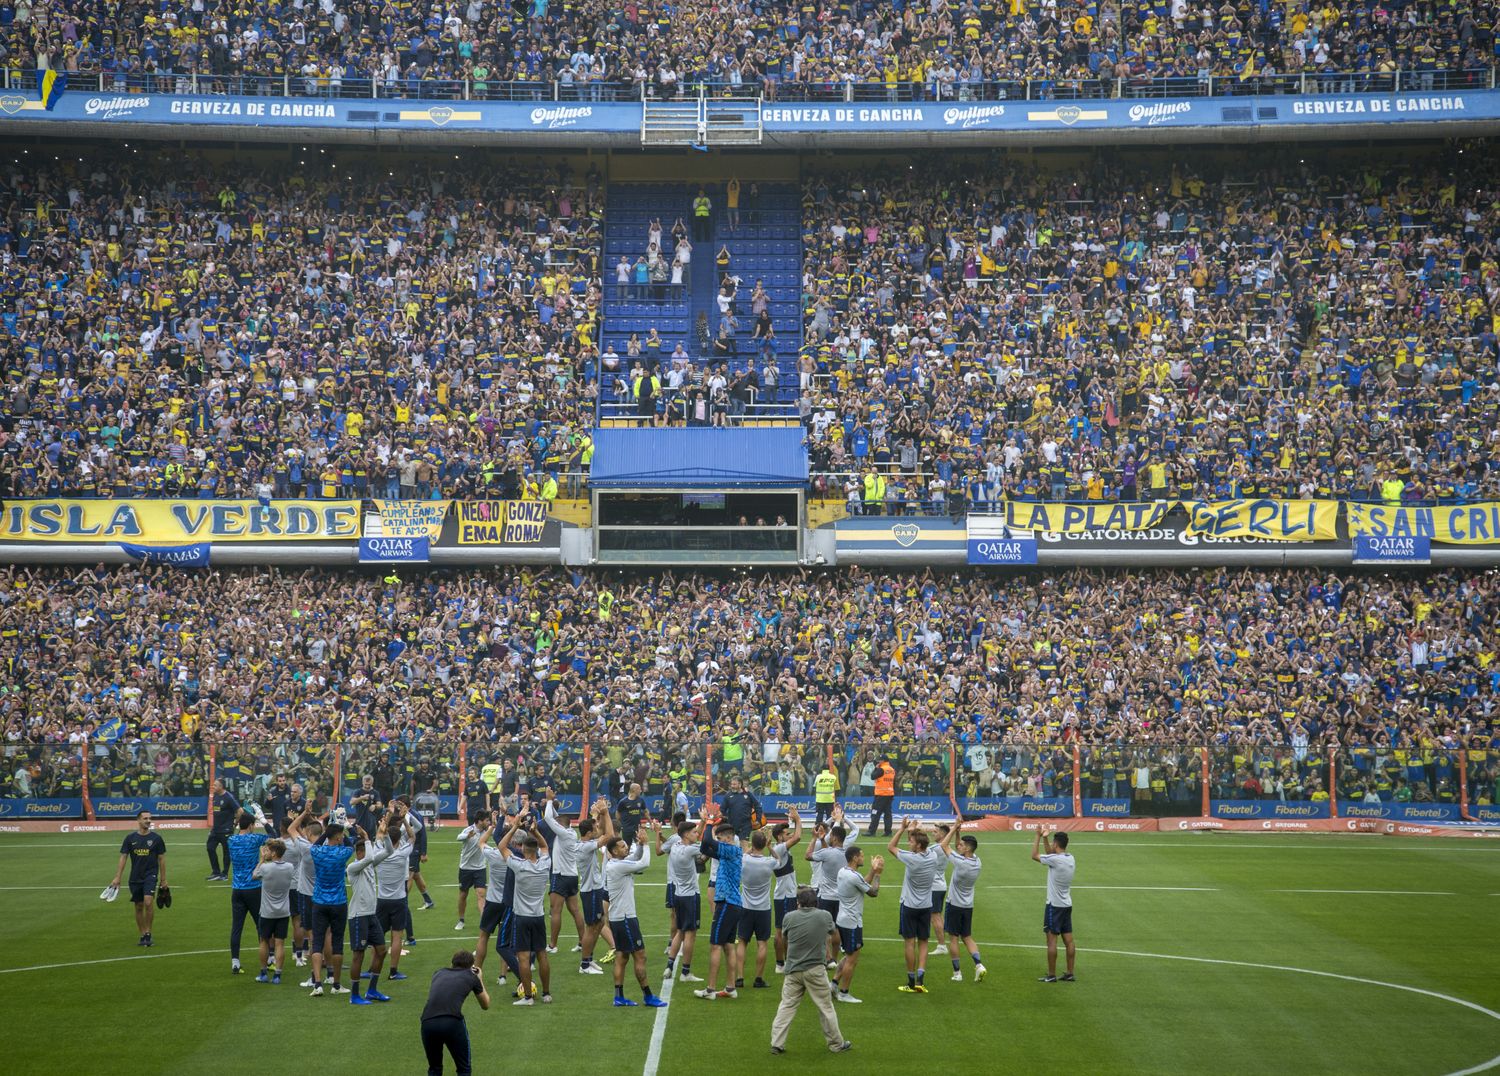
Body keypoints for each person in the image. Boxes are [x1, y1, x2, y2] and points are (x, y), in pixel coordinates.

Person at [769, 888, 852, 1056]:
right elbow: (833, 934)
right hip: (815, 970)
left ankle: (777, 1043)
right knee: (826, 1007)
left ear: (798, 903)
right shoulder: (825, 916)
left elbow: (785, 939)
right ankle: (836, 1044)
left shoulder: (789, 917)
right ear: (816, 902)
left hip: (793, 970)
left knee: (786, 1006)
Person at [603, 821, 667, 1007]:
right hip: (625, 919)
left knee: (622, 957)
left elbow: (634, 857)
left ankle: (619, 997)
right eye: (623, 846)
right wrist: (646, 844)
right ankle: (648, 996)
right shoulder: (617, 866)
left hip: (619, 918)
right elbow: (643, 863)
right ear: (615, 851)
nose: (626, 848)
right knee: (640, 956)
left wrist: (639, 845)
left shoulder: (616, 863)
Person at [291, 808, 354, 996]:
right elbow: (351, 843)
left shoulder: (317, 852)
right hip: (338, 902)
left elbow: (316, 845)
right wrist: (343, 826)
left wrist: (326, 832)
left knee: (316, 942)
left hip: (319, 901)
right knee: (337, 942)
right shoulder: (343, 853)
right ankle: (335, 984)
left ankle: (317, 983)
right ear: (338, 837)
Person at [496, 812, 553, 1005]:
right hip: (538, 916)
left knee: (522, 957)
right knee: (542, 954)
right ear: (535, 850)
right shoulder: (545, 863)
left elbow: (501, 846)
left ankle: (528, 997)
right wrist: (535, 831)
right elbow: (545, 846)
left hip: (521, 916)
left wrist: (514, 827)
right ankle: (546, 994)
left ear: (524, 850)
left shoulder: (519, 865)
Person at [694, 809, 745, 1000]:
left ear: (726, 837)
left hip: (726, 903)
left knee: (715, 945)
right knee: (728, 946)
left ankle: (710, 990)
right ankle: (731, 988)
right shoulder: (730, 851)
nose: (718, 839)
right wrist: (709, 826)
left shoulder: (730, 849)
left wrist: (708, 822)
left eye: (720, 837)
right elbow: (704, 849)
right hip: (734, 904)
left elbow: (708, 841)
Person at [346, 818, 395, 1004]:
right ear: (359, 852)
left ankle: (372, 990)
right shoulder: (353, 868)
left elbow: (389, 851)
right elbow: (369, 858)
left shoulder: (367, 865)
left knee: (381, 950)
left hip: (371, 915)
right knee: (359, 954)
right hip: (358, 916)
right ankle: (354, 995)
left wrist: (386, 834)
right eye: (365, 850)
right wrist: (367, 836)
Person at [421, 950, 490, 1076]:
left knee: (434, 1068)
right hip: (451, 1022)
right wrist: (479, 979)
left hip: (427, 1022)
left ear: (451, 963)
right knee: (464, 1068)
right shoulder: (472, 977)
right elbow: (485, 1004)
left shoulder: (438, 973)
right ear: (471, 967)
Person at [890, 818, 937, 993]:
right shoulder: (932, 855)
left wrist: (902, 829)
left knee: (910, 943)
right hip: (926, 906)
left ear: (918, 846)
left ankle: (910, 982)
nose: (909, 843)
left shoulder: (911, 859)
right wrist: (917, 830)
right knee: (923, 942)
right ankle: (921, 978)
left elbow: (891, 847)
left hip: (909, 906)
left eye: (911, 842)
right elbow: (927, 844)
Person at [833, 842, 884, 1003]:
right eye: (861, 855)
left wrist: (872, 870)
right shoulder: (853, 876)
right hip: (852, 922)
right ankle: (843, 992)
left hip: (842, 919)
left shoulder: (844, 871)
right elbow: (873, 892)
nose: (863, 857)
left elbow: (862, 883)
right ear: (855, 858)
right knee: (852, 959)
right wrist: (878, 873)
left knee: (848, 955)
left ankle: (833, 984)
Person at [109, 809, 166, 948]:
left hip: (150, 875)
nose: (148, 820)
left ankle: (148, 933)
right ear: (139, 820)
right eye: (145, 818)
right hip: (135, 876)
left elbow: (162, 859)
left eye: (150, 818)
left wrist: (163, 879)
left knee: (148, 902)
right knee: (139, 906)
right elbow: (123, 857)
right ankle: (142, 935)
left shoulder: (157, 839)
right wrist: (117, 877)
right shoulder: (130, 839)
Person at [806, 808, 855, 965]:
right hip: (841, 897)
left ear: (833, 837)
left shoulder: (827, 854)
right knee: (837, 928)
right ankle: (834, 958)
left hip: (826, 896)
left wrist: (815, 839)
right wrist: (823, 840)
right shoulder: (847, 853)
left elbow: (808, 855)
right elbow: (830, 852)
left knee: (826, 929)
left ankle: (826, 958)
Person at [938, 822, 986, 982]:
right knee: (967, 936)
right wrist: (959, 834)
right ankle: (979, 965)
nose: (959, 846)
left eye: (962, 845)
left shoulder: (961, 863)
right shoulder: (977, 861)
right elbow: (958, 849)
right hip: (968, 905)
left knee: (953, 938)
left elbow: (944, 845)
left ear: (967, 848)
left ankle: (957, 973)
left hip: (954, 905)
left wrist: (952, 829)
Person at [227, 807, 272, 974]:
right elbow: (274, 836)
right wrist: (264, 820)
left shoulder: (231, 840)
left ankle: (235, 962)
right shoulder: (254, 839)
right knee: (260, 925)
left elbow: (232, 832)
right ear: (252, 825)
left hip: (237, 889)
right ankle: (268, 959)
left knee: (236, 926)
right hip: (253, 888)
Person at [541, 790, 587, 955]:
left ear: (561, 825)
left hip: (560, 876)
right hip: (572, 876)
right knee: (575, 910)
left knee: (555, 910)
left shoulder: (563, 833)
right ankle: (582, 941)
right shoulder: (570, 833)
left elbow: (548, 819)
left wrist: (548, 800)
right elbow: (553, 817)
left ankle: (552, 945)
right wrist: (552, 802)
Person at [659, 817, 704, 984]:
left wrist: (704, 821)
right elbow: (707, 848)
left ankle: (669, 966)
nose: (696, 834)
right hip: (690, 896)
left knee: (679, 931)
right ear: (685, 835)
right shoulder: (690, 850)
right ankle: (685, 972)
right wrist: (709, 825)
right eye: (693, 832)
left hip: (678, 895)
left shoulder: (676, 846)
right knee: (690, 934)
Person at [576, 799, 617, 974]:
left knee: (599, 923)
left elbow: (599, 830)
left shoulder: (584, 842)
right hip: (590, 891)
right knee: (592, 927)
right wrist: (605, 813)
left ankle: (589, 960)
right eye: (594, 829)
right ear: (588, 832)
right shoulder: (586, 846)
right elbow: (608, 836)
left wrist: (596, 814)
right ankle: (585, 964)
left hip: (593, 889)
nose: (597, 830)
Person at [1033, 829, 1076, 983]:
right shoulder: (1070, 858)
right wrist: (1046, 838)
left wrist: (1038, 836)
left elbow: (1034, 856)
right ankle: (1070, 973)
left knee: (1051, 941)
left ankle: (1051, 975)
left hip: (1054, 905)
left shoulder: (1055, 860)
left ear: (1056, 843)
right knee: (1069, 940)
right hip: (1066, 904)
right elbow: (1051, 855)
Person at [252, 839, 296, 984]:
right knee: (279, 943)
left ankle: (263, 973)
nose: (267, 852)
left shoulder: (266, 868)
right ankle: (277, 975)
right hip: (283, 911)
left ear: (275, 852)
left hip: (267, 912)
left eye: (270, 850)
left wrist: (262, 859)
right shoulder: (289, 867)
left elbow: (254, 875)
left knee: (264, 941)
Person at [768, 810, 804, 974]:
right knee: (781, 931)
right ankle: (780, 963)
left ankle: (785, 962)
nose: (789, 835)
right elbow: (798, 837)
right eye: (785, 833)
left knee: (787, 931)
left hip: (787, 894)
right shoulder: (780, 848)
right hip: (784, 896)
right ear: (779, 837)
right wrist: (798, 820)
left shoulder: (780, 848)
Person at [454, 811, 491, 931]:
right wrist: (467, 836)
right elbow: (458, 837)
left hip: (480, 868)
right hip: (465, 868)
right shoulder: (469, 830)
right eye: (486, 820)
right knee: (463, 895)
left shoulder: (487, 831)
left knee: (481, 894)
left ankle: (484, 923)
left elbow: (498, 831)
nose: (488, 822)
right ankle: (461, 920)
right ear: (480, 821)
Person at [207, 779, 239, 880]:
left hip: (226, 830)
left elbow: (240, 811)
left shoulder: (229, 797)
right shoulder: (215, 796)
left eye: (215, 785)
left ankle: (224, 874)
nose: (213, 787)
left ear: (221, 786)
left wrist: (234, 824)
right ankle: (216, 872)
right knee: (210, 848)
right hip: (215, 830)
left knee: (226, 852)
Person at [719, 775, 761, 839]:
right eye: (731, 784)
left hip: (746, 825)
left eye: (734, 784)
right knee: (733, 845)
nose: (732, 786)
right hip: (732, 825)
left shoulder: (748, 794)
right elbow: (722, 809)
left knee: (743, 844)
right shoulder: (728, 795)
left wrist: (758, 819)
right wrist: (720, 814)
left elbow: (757, 806)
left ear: (740, 784)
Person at [866, 758, 896, 837]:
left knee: (875, 813)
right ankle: (888, 832)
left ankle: (871, 831)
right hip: (889, 794)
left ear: (883, 761)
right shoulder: (892, 769)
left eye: (879, 760)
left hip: (881, 794)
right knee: (888, 814)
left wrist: (876, 768)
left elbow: (872, 776)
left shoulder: (881, 769)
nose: (878, 761)